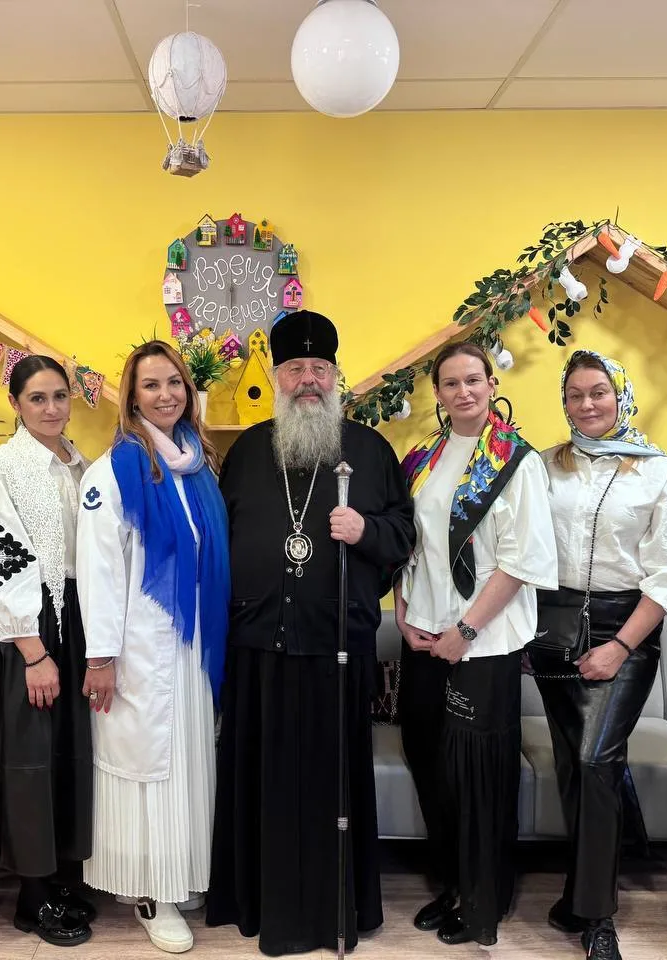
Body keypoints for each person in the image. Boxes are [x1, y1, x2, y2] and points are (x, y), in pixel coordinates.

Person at [207, 310, 416, 956]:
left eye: (318, 368)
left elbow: (405, 537)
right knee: (261, 785)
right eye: (295, 368)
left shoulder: (371, 452)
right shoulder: (247, 453)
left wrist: (367, 531)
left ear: (335, 376)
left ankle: (335, 909)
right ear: (277, 377)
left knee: (332, 791)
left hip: (337, 651)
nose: (307, 379)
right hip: (258, 648)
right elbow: (219, 542)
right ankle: (255, 901)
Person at [394, 341, 557, 949]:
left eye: (473, 380)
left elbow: (522, 559)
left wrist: (465, 632)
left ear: (492, 384)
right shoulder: (423, 458)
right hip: (424, 635)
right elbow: (412, 546)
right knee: (429, 760)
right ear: (437, 393)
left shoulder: (516, 461)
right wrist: (404, 614)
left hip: (483, 642)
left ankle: (481, 897)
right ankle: (452, 883)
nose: (463, 391)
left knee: (476, 775)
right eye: (450, 383)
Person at [75, 340, 229, 955]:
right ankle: (148, 893)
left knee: (185, 763)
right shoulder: (114, 470)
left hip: (191, 650)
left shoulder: (196, 463)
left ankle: (178, 875)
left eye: (174, 383)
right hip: (137, 651)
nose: (165, 395)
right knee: (146, 768)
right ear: (131, 397)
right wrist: (100, 658)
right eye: (150, 385)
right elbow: (99, 572)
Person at [536, 350, 667, 960]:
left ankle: (598, 917)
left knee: (596, 759)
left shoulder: (658, 472)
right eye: (575, 394)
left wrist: (621, 647)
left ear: (620, 395)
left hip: (626, 626)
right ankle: (579, 894)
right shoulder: (546, 465)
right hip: (553, 626)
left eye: (599, 391)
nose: (587, 404)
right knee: (574, 764)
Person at [0, 356, 95, 947]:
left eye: (59, 396)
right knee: (30, 758)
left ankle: (63, 879)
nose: (51, 408)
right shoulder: (0, 467)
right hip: (26, 629)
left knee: (68, 751)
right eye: (37, 398)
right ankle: (32, 896)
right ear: (14, 404)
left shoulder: (81, 465)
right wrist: (34, 653)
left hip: (77, 624)